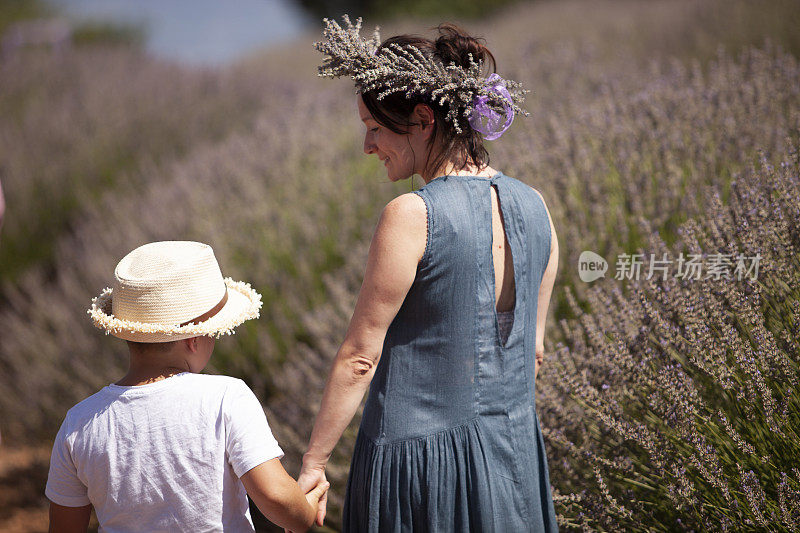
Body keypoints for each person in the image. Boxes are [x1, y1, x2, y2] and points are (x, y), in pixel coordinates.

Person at [299, 18, 560, 531]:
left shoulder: (413, 215)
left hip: (419, 472)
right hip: (512, 464)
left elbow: (359, 358)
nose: (367, 146)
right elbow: (532, 352)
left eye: (375, 128)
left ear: (422, 119)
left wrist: (312, 463)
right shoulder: (537, 206)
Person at [45, 241, 329, 532]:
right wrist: (305, 511)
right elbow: (277, 496)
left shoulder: (78, 423)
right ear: (193, 340)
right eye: (213, 333)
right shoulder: (226, 398)